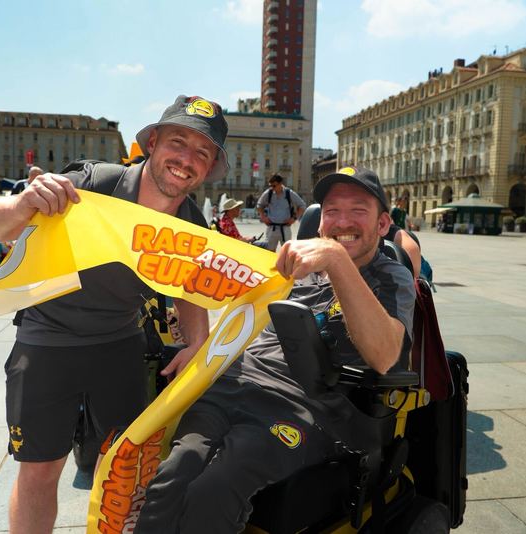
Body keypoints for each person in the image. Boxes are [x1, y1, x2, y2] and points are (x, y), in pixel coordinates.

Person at [0, 94, 229, 534]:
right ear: (153, 142)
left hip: (119, 345)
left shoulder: (192, 223)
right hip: (48, 339)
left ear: (209, 167)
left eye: (202, 152)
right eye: (178, 143)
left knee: (122, 467)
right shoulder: (91, 183)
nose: (186, 160)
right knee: (40, 470)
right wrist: (20, 205)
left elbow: (189, 286)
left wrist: (198, 343)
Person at [134, 167, 415, 534]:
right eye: (331, 210)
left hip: (302, 408)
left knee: (213, 491)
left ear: (382, 224)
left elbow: (384, 355)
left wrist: (337, 259)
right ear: (319, 221)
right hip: (231, 388)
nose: (342, 220)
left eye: (358, 209)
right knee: (169, 481)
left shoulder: (390, 276)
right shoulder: (293, 271)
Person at [256, 174, 306, 251]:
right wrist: (263, 217)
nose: (272, 188)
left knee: (286, 253)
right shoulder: (268, 193)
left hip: (285, 228)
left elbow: (302, 205)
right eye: (270, 185)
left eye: (274, 186)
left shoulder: (289, 193)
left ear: (280, 184)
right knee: (269, 252)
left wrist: (294, 218)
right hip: (272, 228)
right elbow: (259, 205)